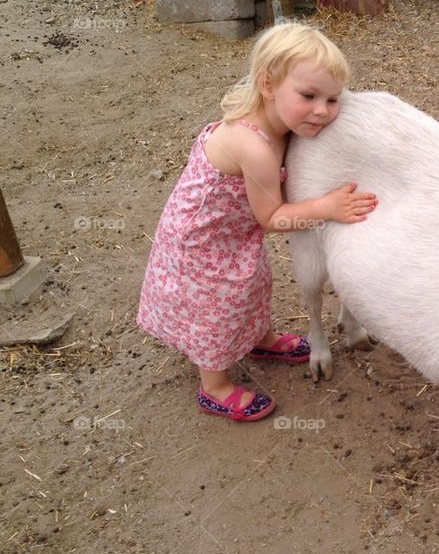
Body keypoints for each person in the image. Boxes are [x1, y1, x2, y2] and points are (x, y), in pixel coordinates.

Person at [137, 22, 376, 421]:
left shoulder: (281, 123)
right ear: (268, 84)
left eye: (332, 99)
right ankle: (214, 385)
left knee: (253, 285)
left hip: (234, 235)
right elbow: (273, 217)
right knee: (217, 307)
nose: (322, 110)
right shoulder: (254, 145)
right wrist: (326, 207)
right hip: (201, 245)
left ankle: (258, 338)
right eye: (308, 96)